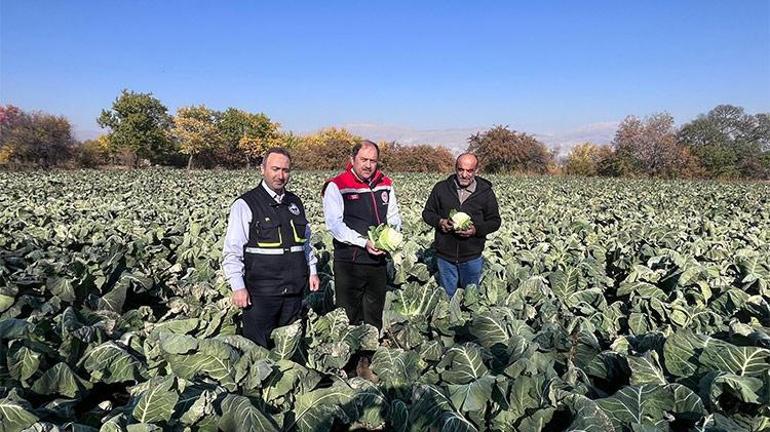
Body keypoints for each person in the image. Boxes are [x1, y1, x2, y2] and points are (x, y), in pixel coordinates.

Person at [222, 147, 319, 348]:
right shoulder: (246, 204)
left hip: (293, 292)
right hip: (261, 294)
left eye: (285, 170)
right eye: (275, 169)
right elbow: (233, 250)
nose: (280, 175)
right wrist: (238, 287)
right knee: (258, 350)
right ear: (262, 169)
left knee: (288, 350)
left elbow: (305, 242)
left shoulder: (295, 202)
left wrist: (313, 271)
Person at [322, 140, 402, 330]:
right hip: (350, 262)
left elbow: (394, 216)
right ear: (352, 159)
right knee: (349, 314)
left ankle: (369, 356)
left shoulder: (385, 183)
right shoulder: (337, 185)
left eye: (373, 161)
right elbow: (335, 225)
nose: (368, 165)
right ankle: (349, 358)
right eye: (363, 159)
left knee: (374, 313)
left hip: (377, 262)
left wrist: (391, 236)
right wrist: (363, 242)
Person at [422, 153, 501, 296]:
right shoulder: (441, 188)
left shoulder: (485, 193)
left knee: (470, 299)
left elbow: (495, 221)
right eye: (460, 170)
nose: (464, 175)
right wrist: (440, 222)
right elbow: (427, 213)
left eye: (469, 171)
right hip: (445, 257)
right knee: (447, 298)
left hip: (472, 257)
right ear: (455, 168)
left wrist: (476, 230)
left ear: (476, 171)